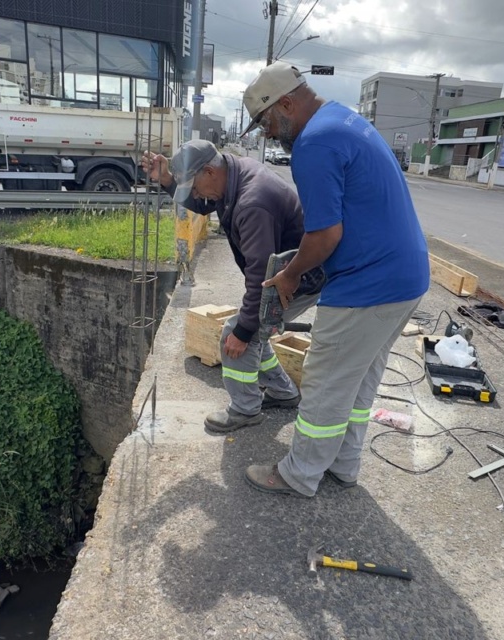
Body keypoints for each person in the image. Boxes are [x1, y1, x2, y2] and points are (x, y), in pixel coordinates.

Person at [238, 62, 430, 498]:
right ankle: (343, 466)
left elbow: (325, 235)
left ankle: (299, 474)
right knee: (357, 381)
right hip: (405, 277)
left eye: (267, 122)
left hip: (368, 284)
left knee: (325, 382)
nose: (269, 133)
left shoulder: (314, 143)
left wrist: (289, 275)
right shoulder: (344, 118)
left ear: (286, 104)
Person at [141, 139, 323, 433]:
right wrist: (167, 181)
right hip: (284, 273)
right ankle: (283, 392)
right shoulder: (231, 173)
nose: (196, 195)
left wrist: (242, 331)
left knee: (237, 335)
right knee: (255, 333)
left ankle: (245, 410)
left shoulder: (253, 202)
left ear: (209, 172)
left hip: (296, 280)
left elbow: (259, 275)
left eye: (194, 187)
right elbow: (203, 204)